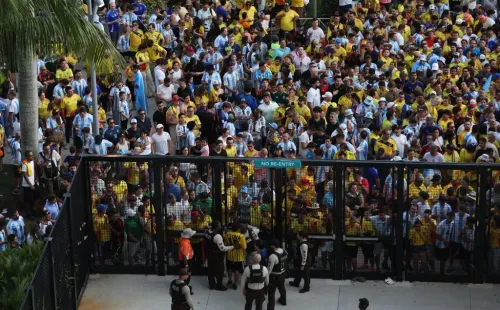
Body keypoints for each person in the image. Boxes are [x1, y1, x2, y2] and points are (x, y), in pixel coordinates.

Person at [204, 220, 235, 290]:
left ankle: (211, 284)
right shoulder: (217, 236)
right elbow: (222, 248)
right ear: (217, 227)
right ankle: (219, 285)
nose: (221, 227)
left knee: (210, 269)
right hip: (216, 255)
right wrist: (232, 247)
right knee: (220, 270)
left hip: (208, 253)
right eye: (220, 226)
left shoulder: (207, 231)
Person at [267, 238, 288, 309]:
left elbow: (269, 269)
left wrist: (265, 277)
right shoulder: (284, 251)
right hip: (283, 274)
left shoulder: (272, 256)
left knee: (271, 293)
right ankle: (283, 301)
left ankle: (270, 307)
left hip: (274, 276)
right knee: (282, 289)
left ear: (273, 246)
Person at [179, 228, 196, 294]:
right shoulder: (185, 243)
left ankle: (183, 287)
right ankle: (185, 290)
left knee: (184, 275)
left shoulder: (183, 240)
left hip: (184, 261)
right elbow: (184, 255)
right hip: (186, 261)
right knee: (186, 276)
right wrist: (186, 265)